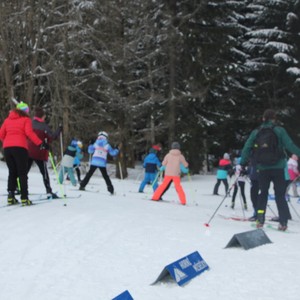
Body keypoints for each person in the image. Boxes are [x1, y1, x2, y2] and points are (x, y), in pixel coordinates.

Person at [240, 109, 300, 231]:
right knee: (280, 195)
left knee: (263, 193)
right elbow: (289, 145)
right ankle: (283, 222)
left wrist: (242, 163)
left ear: (263, 118)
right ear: (274, 118)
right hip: (278, 167)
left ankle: (260, 218)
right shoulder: (280, 130)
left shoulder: (256, 132)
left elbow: (247, 147)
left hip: (262, 168)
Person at [0, 101, 46, 206]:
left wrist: (7, 142)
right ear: (25, 111)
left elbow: (1, 134)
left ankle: (11, 196)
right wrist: (40, 143)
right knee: (22, 173)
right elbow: (29, 133)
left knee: (12, 172)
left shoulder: (7, 120)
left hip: (7, 148)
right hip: (20, 148)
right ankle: (24, 198)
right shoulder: (26, 120)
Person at [27, 107, 62, 199]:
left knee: (24, 171)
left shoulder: (30, 123)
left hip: (28, 150)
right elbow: (51, 137)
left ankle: (19, 188)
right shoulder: (44, 126)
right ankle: (48, 191)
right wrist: (59, 130)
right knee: (44, 173)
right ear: (42, 116)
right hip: (40, 151)